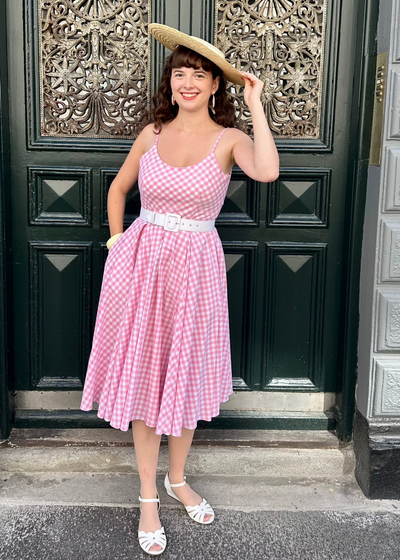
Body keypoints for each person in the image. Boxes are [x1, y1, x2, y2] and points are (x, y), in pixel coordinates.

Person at [80, 23, 279, 556]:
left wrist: (255, 103)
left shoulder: (229, 139)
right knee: (146, 381)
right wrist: (118, 243)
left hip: (196, 273)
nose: (187, 83)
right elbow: (119, 189)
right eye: (180, 74)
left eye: (199, 75)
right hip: (142, 268)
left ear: (215, 86)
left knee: (184, 380)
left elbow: (267, 170)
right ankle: (148, 496)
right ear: (170, 83)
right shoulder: (152, 133)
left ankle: (177, 478)